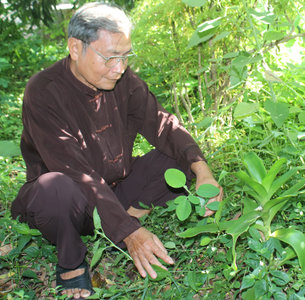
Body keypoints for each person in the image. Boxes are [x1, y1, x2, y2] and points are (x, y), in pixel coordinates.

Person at [10, 2, 223, 299]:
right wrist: (130, 231)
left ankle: (125, 215)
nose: (119, 68)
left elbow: (162, 125)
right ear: (75, 48)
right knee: (53, 187)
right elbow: (76, 172)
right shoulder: (43, 91)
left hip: (116, 189)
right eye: (110, 58)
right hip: (67, 204)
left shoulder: (123, 80)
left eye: (125, 57)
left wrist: (203, 171)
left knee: (175, 160)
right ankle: (71, 264)